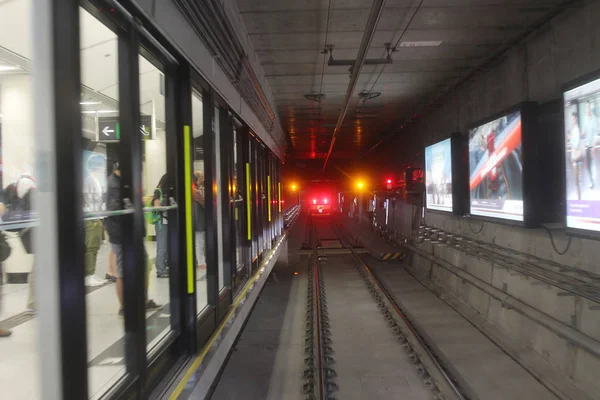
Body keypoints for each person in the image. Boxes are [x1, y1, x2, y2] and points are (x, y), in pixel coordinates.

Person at [104, 162, 161, 317]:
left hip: (131, 232)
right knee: (122, 271)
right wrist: (139, 201)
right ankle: (125, 307)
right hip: (121, 234)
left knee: (143, 264)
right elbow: (116, 209)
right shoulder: (114, 184)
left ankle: (143, 300)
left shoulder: (122, 182)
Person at [83, 170, 107, 287]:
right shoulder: (88, 181)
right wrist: (94, 216)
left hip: (98, 216)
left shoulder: (97, 181)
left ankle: (92, 273)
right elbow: (88, 200)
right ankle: (88, 274)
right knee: (91, 246)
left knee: (96, 246)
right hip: (92, 217)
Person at [153, 174, 169, 278]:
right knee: (162, 247)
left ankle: (164, 266)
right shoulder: (158, 191)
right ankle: (160, 270)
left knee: (166, 246)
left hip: (167, 222)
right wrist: (168, 207)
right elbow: (157, 206)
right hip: (161, 223)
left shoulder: (169, 192)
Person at [193, 171, 206, 280]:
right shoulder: (196, 192)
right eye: (201, 177)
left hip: (198, 220)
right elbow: (205, 203)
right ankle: (201, 261)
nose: (203, 179)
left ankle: (200, 260)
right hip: (199, 220)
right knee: (199, 242)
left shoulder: (198, 190)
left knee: (199, 242)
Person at [582, 102, 598, 189]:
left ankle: (593, 181)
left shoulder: (594, 119)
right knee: (588, 165)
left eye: (588, 107)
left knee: (593, 164)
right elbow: (584, 131)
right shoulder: (585, 119)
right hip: (587, 146)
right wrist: (583, 133)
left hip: (592, 146)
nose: (587, 110)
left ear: (590, 108)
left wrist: (594, 146)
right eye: (586, 108)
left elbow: (595, 133)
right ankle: (591, 181)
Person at [569, 111, 584, 200]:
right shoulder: (574, 129)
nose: (572, 121)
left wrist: (570, 138)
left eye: (573, 119)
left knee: (577, 179)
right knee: (577, 179)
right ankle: (579, 197)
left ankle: (579, 198)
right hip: (575, 157)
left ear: (576, 119)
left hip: (576, 157)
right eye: (572, 119)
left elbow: (576, 144)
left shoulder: (576, 130)